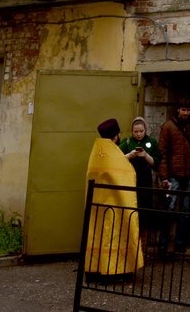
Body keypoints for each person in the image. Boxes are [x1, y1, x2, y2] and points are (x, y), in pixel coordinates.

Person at [84, 118, 144, 277]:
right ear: (116, 135)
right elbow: (126, 173)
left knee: (97, 235)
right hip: (114, 205)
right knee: (113, 236)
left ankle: (94, 269)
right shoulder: (113, 152)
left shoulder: (97, 152)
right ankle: (114, 271)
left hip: (97, 206)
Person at [157, 100, 190, 253]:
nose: (186, 113)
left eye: (188, 110)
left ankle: (180, 244)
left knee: (185, 210)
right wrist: (164, 177)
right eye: (183, 109)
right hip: (173, 173)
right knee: (169, 208)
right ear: (178, 110)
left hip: (189, 172)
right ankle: (163, 244)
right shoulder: (168, 127)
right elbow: (162, 153)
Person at [119, 116, 161, 226]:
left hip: (145, 178)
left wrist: (146, 155)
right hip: (130, 178)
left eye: (141, 131)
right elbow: (117, 158)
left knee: (145, 205)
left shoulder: (152, 142)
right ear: (132, 131)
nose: (139, 134)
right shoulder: (127, 142)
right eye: (136, 132)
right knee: (131, 204)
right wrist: (130, 155)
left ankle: (145, 230)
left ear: (145, 130)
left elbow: (156, 163)